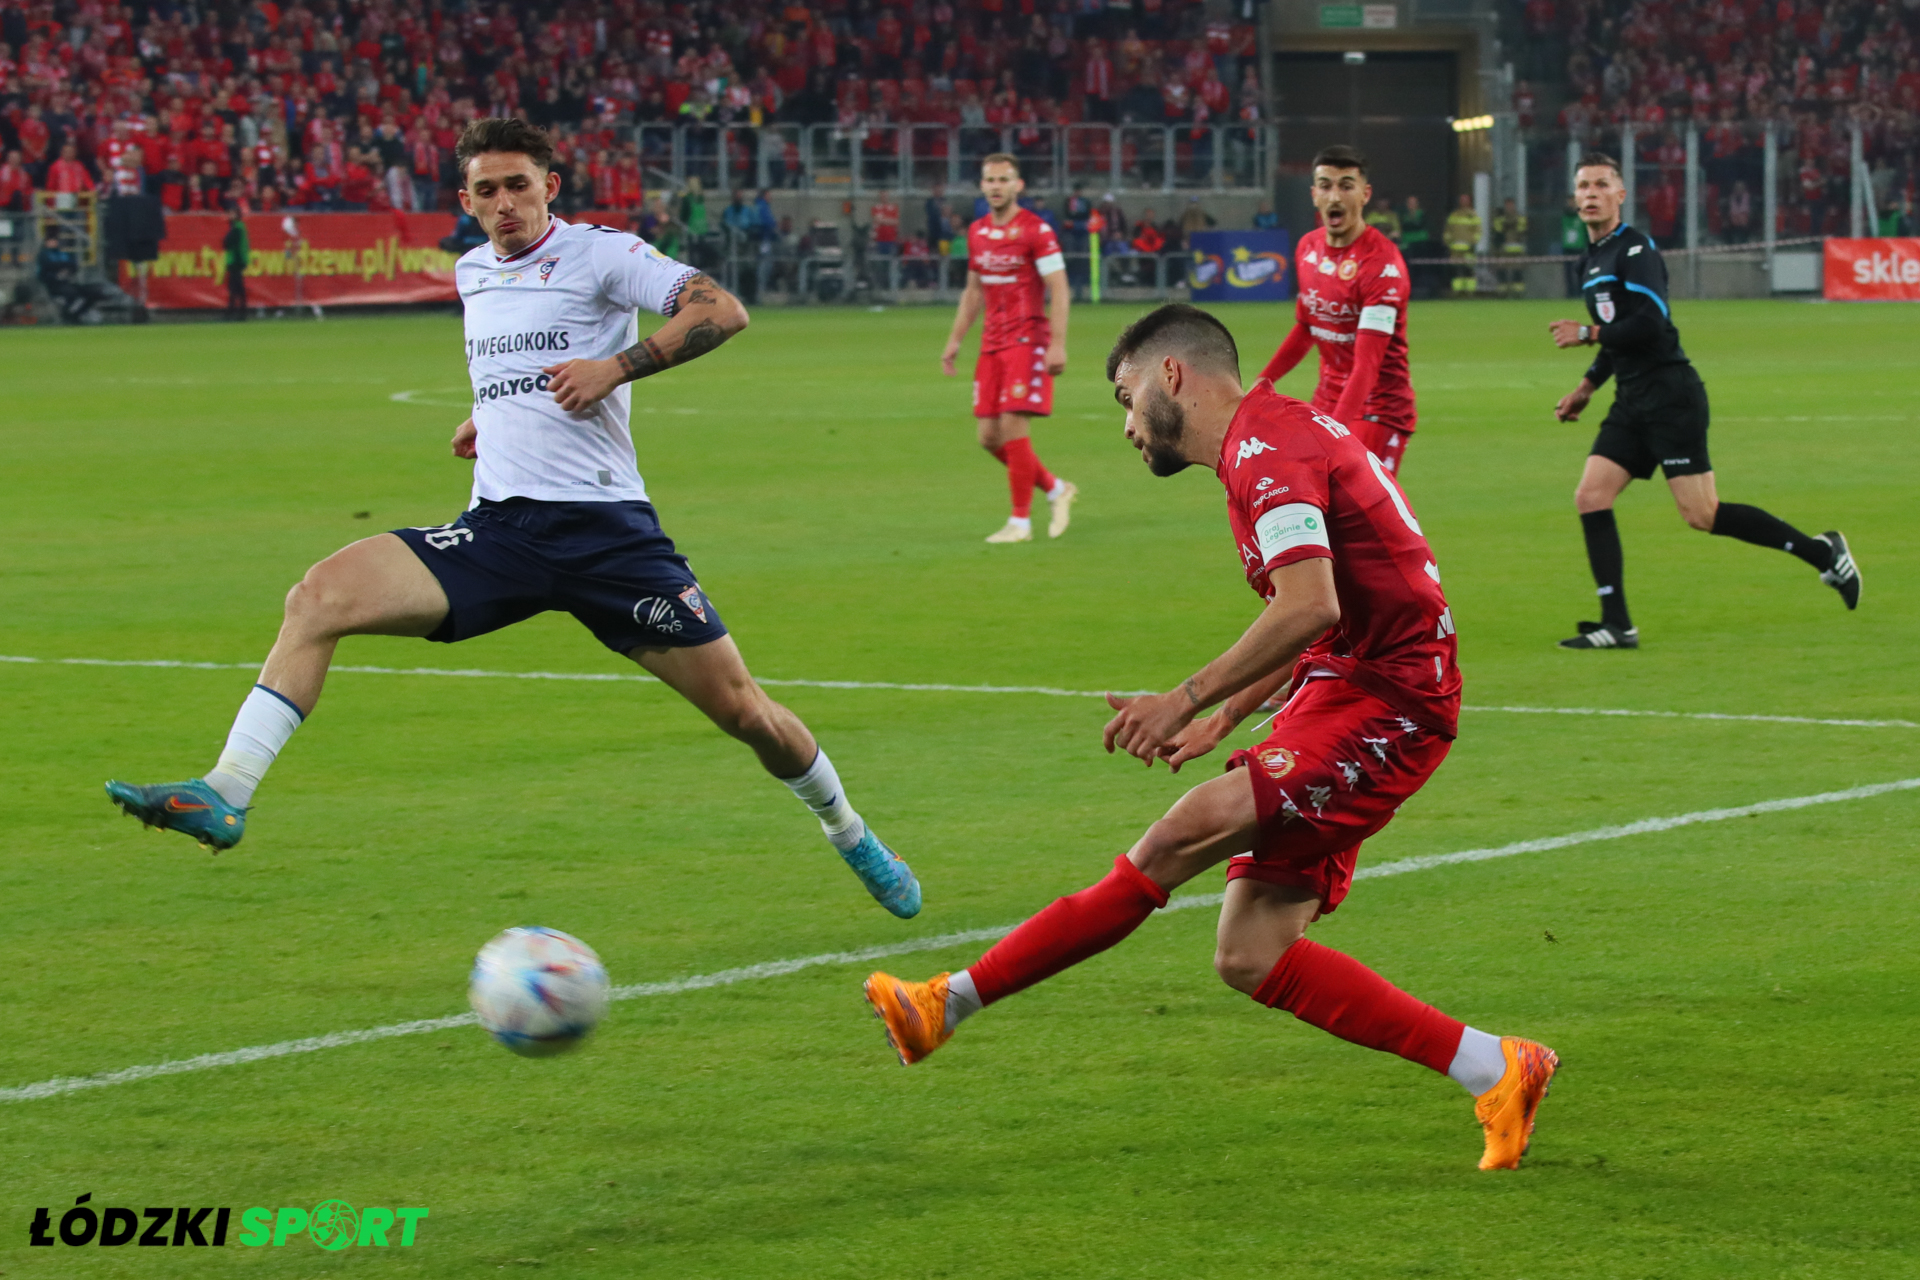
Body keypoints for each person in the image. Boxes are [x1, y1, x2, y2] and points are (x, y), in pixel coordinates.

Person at [105, 118, 921, 922]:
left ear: (549, 188)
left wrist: (617, 366)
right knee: (318, 596)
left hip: (607, 537)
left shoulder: (600, 252)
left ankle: (848, 831)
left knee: (747, 713)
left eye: (518, 186)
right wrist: (488, 415)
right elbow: (519, 361)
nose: (504, 204)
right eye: (487, 190)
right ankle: (226, 792)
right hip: (499, 533)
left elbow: (721, 310)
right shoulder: (471, 273)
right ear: (466, 198)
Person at [866, 304, 1560, 1172]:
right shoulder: (1267, 439)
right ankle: (1495, 1066)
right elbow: (1311, 614)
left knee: (1183, 830)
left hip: (1393, 701)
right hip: (1346, 685)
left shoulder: (1268, 455)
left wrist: (1183, 696)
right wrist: (1226, 715)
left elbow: (1313, 605)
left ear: (1172, 377)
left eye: (1124, 398)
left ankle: (946, 1004)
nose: (1126, 426)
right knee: (1249, 952)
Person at [1546, 153, 1860, 650]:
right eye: (1582, 185)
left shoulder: (1635, 251)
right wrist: (1586, 387)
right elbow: (1619, 339)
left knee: (1702, 514)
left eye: (1601, 185)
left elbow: (1651, 323)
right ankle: (1617, 623)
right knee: (1591, 495)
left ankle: (1824, 555)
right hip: (1632, 400)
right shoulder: (1591, 260)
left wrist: (1588, 333)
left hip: (1671, 397)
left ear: (1620, 195)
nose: (1590, 194)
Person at [941, 152, 1079, 543]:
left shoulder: (1037, 230)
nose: (996, 186)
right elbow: (972, 292)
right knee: (988, 437)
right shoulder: (977, 232)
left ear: (1018, 185)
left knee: (1013, 425)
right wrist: (954, 341)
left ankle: (1020, 521)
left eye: (1004, 180)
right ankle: (1055, 488)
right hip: (991, 344)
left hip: (1027, 340)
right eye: (990, 180)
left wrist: (1057, 344)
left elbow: (1059, 287)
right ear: (982, 185)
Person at [1256, 146, 1418, 474]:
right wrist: (1263, 382)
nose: (1335, 196)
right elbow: (1306, 328)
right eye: (1326, 185)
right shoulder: (1308, 249)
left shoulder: (1381, 265)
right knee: (1314, 505)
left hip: (1379, 409)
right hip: (1328, 402)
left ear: (1364, 194)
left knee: (1365, 515)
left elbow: (1367, 366)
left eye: (1346, 185)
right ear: (1314, 194)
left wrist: (1336, 432)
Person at [36, 226, 108, 323]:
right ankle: (71, 316)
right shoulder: (43, 255)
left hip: (68, 283)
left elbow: (73, 265)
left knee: (93, 292)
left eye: (54, 240)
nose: (53, 242)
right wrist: (57, 274)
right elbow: (44, 271)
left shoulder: (62, 253)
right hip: (54, 286)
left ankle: (78, 313)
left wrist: (63, 270)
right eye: (51, 240)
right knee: (73, 295)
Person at [1444, 192, 1480, 295]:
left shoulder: (1473, 215)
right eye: (1462, 199)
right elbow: (1448, 230)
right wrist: (1448, 243)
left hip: (1468, 248)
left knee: (1468, 269)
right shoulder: (1454, 215)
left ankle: (1470, 291)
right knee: (1456, 270)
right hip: (1455, 248)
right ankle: (1457, 291)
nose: (1463, 202)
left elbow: (1477, 231)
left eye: (1466, 199)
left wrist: (1473, 242)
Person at [1492, 196, 1527, 297]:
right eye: (1507, 205)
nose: (1509, 207)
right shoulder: (1500, 218)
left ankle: (1517, 293)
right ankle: (1502, 293)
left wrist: (1508, 225)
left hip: (1517, 249)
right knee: (1502, 271)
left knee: (1517, 272)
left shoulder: (1520, 218)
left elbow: (1522, 229)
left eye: (1511, 205)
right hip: (1503, 250)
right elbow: (1498, 230)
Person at [1399, 194, 1432, 296]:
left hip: (1420, 243)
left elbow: (1420, 225)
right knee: (1408, 267)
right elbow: (1404, 227)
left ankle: (1422, 289)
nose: (1411, 205)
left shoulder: (1422, 214)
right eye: (1409, 203)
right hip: (1407, 244)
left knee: (1421, 266)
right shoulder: (1403, 216)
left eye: (1413, 203)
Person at [222, 209, 250, 320]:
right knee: (237, 286)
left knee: (235, 287)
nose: (229, 215)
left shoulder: (237, 228)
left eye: (232, 213)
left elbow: (228, 243)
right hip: (237, 260)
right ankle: (238, 311)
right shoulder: (239, 227)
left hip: (235, 260)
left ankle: (234, 311)